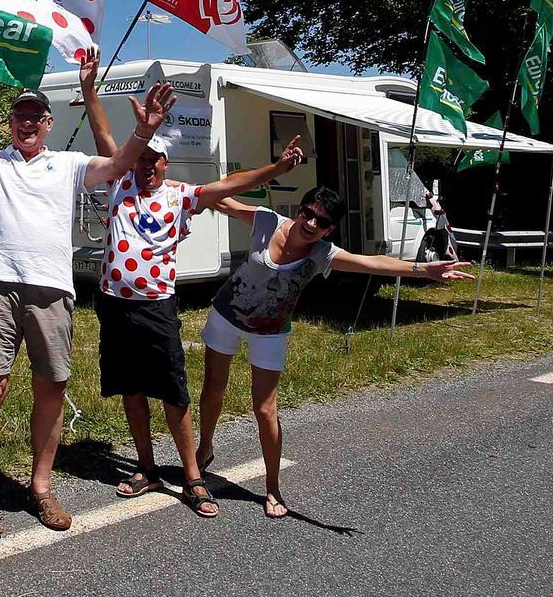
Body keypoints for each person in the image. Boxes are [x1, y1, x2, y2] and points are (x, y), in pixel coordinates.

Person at [0, 41, 173, 541]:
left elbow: (119, 164)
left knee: (51, 390)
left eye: (37, 115)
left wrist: (144, 130)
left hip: (53, 291)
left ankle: (41, 487)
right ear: (12, 122)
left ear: (49, 123)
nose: (29, 123)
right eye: (21, 116)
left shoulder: (69, 165)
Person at [77, 49, 306, 518]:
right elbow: (103, 133)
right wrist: (87, 90)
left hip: (157, 307)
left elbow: (230, 185)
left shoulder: (181, 196)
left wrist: (278, 170)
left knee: (173, 392)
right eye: (140, 158)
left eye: (154, 161)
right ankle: (147, 468)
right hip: (114, 305)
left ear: (166, 165)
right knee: (130, 389)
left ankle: (192, 477)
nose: (145, 165)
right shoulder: (119, 182)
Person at [194, 185, 473, 518]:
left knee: (265, 409)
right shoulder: (267, 221)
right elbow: (222, 199)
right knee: (213, 389)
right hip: (227, 314)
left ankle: (272, 487)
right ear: (300, 210)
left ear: (329, 230)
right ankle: (205, 447)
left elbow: (371, 263)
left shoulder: (321, 253)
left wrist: (422, 270)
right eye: (308, 213)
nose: (311, 223)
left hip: (271, 330)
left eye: (321, 222)